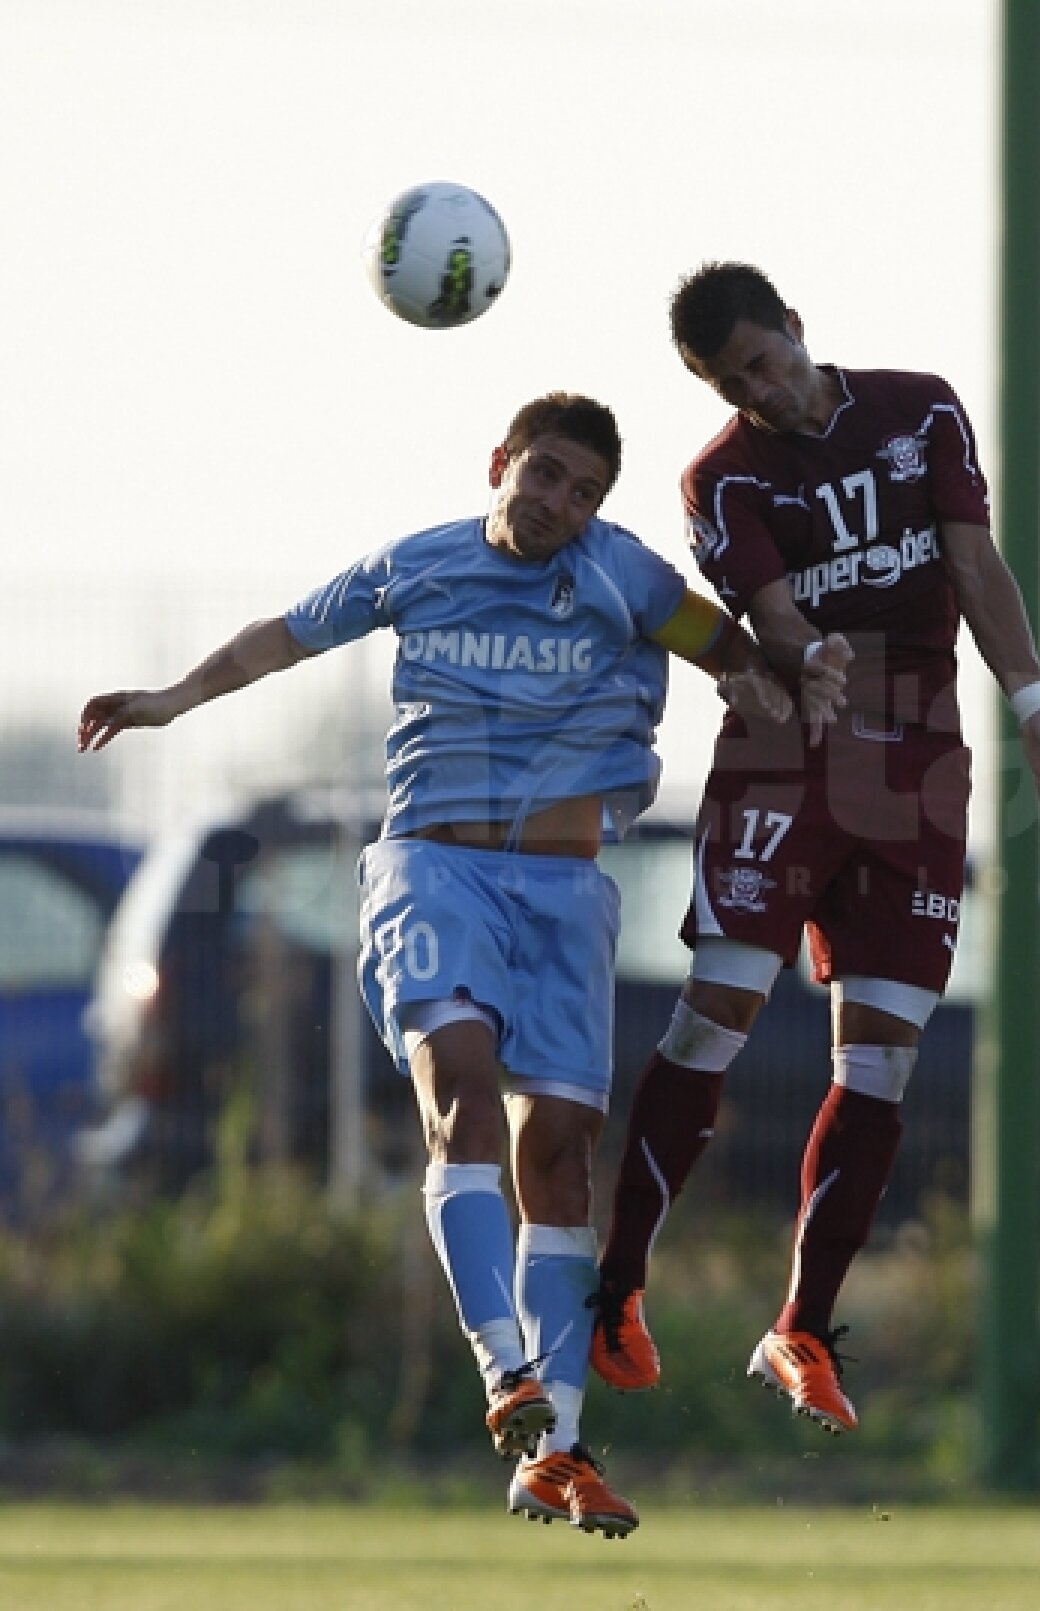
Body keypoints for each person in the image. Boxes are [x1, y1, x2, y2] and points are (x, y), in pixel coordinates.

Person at [78, 391, 796, 1537]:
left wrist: (765, 682)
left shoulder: (626, 575)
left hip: (566, 894)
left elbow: (726, 648)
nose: (559, 502)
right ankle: (504, 1366)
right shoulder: (417, 564)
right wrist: (174, 699)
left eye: (584, 491)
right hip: (435, 872)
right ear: (501, 461)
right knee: (459, 1086)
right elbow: (282, 635)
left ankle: (557, 1453)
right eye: (546, 473)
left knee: (559, 1160)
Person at [588, 264, 1040, 1435]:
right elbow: (773, 617)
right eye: (732, 385)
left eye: (764, 364)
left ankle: (804, 1328)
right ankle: (617, 1291)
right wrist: (805, 654)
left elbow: (974, 565)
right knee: (718, 1014)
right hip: (794, 752)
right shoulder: (722, 478)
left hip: (918, 763)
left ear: (796, 327)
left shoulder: (918, 410)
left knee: (882, 1060)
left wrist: (1034, 707)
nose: (759, 394)